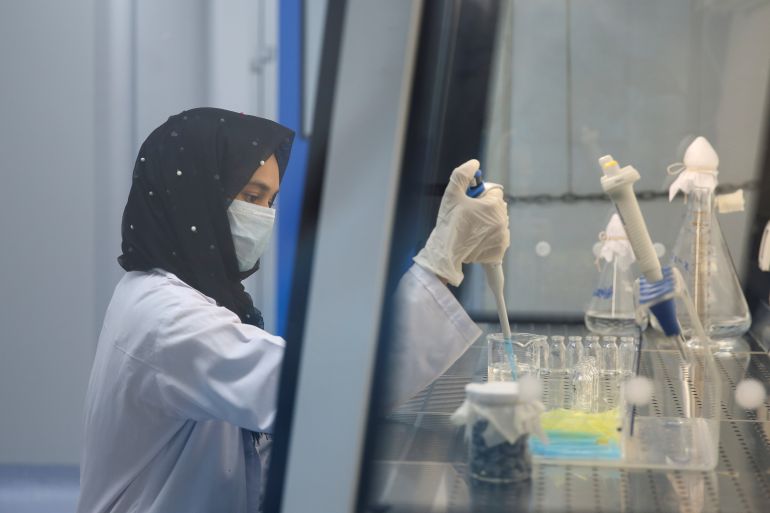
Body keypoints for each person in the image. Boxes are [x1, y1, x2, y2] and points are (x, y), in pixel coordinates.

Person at [76, 107, 509, 513]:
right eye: (251, 195)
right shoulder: (167, 318)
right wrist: (440, 263)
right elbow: (312, 390)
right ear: (192, 197)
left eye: (270, 201)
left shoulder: (172, 294)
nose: (262, 216)